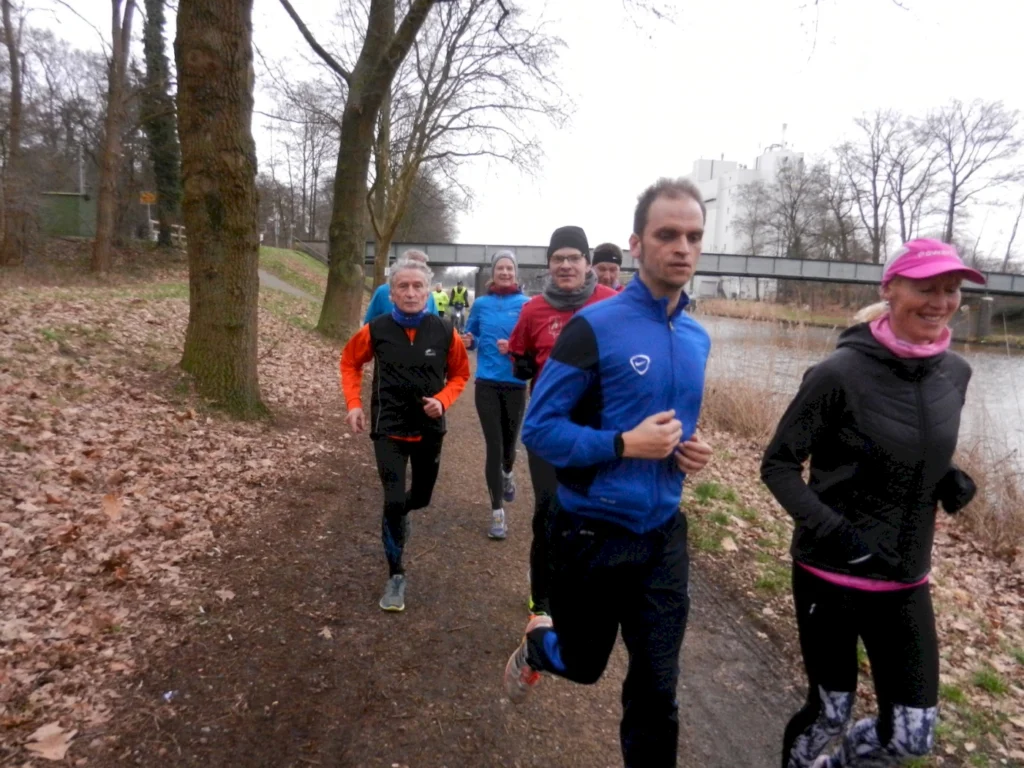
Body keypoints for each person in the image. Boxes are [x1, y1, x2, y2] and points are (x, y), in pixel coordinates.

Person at [503, 179, 714, 768]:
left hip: (662, 535)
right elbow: (540, 431)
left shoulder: (697, 337)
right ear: (637, 244)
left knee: (657, 690)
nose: (682, 247)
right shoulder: (593, 327)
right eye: (667, 234)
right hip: (590, 534)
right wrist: (624, 443)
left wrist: (687, 450)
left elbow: (675, 427)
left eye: (693, 236)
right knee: (585, 664)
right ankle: (540, 649)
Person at [760, 238, 985, 768]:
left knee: (912, 737)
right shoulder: (838, 373)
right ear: (889, 289)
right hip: (831, 575)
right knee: (828, 715)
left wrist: (946, 477)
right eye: (926, 288)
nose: (940, 301)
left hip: (906, 580)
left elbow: (904, 443)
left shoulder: (956, 373)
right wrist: (834, 531)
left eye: (951, 290)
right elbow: (778, 465)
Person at [341, 259, 470, 612]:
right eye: (403, 287)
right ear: (391, 292)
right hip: (388, 428)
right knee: (394, 499)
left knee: (421, 499)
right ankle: (396, 574)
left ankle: (401, 513)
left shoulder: (445, 331)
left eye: (417, 286)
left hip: (429, 430)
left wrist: (443, 402)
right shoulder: (376, 329)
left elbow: (460, 374)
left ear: (428, 292)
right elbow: (350, 362)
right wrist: (353, 403)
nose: (410, 293)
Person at [505, 225, 618, 616]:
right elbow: (520, 361)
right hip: (549, 428)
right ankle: (544, 596)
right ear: (549, 265)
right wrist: (520, 363)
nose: (566, 265)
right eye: (558, 259)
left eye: (574, 258)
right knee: (549, 509)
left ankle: (583, 586)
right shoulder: (533, 309)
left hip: (599, 429)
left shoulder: (612, 302)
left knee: (592, 510)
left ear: (587, 263)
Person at [461, 250, 530, 540]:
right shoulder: (481, 304)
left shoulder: (527, 305)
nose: (504, 273)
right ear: (493, 273)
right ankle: (497, 512)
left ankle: (508, 471)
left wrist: (513, 350)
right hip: (486, 382)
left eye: (509, 269)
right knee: (494, 444)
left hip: (515, 383)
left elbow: (532, 347)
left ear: (515, 274)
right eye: (500, 268)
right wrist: (469, 340)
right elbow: (471, 333)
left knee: (509, 447)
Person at [364, 249, 438, 323]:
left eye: (422, 267)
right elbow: (369, 322)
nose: (411, 294)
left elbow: (436, 323)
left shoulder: (429, 295)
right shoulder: (382, 291)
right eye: (412, 265)